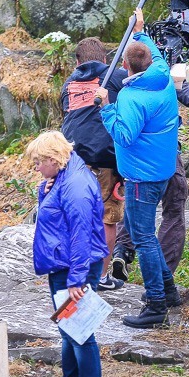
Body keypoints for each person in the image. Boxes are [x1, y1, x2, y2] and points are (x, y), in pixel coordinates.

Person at [96, 9, 180, 329]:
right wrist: (139, 30)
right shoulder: (161, 74)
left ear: (125, 67)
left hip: (140, 177)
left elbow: (124, 136)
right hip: (161, 170)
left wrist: (106, 107)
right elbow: (151, 51)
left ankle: (155, 304)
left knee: (143, 239)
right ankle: (169, 291)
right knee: (144, 233)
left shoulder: (131, 97)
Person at [26, 131, 109, 377]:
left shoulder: (75, 184)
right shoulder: (63, 175)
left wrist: (76, 279)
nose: (36, 168)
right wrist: (43, 189)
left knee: (81, 335)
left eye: (38, 163)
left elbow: (81, 234)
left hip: (74, 269)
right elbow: (52, 213)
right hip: (63, 266)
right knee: (68, 333)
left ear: (52, 159)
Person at [113, 46, 189, 282]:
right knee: (174, 205)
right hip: (164, 153)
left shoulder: (125, 82)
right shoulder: (166, 81)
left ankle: (123, 250)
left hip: (132, 158)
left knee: (137, 207)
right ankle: (164, 276)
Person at [60, 36, 127, 290]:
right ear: (105, 59)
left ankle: (72, 274)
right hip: (106, 160)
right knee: (108, 218)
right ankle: (99, 277)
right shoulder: (118, 77)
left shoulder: (68, 84)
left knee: (75, 216)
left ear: (77, 62)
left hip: (72, 159)